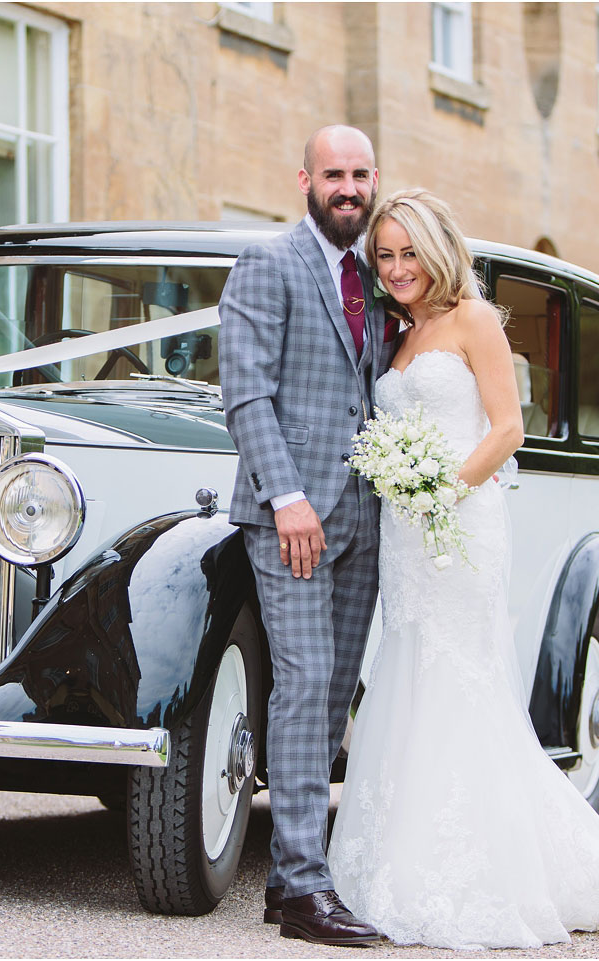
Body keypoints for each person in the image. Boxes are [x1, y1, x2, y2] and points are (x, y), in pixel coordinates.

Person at [324, 188, 599, 949]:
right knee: (408, 671)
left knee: (459, 677)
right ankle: (399, 857)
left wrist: (439, 491)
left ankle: (473, 873)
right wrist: (404, 490)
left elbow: (508, 429)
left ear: (437, 250)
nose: (397, 269)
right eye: (385, 255)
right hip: (406, 532)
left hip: (458, 522)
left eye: (408, 253)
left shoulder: (474, 321)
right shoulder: (396, 336)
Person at [219, 125, 390, 946]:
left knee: (332, 694)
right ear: (305, 179)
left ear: (374, 178)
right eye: (334, 174)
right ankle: (302, 890)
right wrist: (285, 495)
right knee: (305, 679)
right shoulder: (269, 263)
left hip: (364, 515)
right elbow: (246, 394)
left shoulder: (382, 270)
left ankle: (294, 871)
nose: (348, 187)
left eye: (360, 174)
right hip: (292, 518)